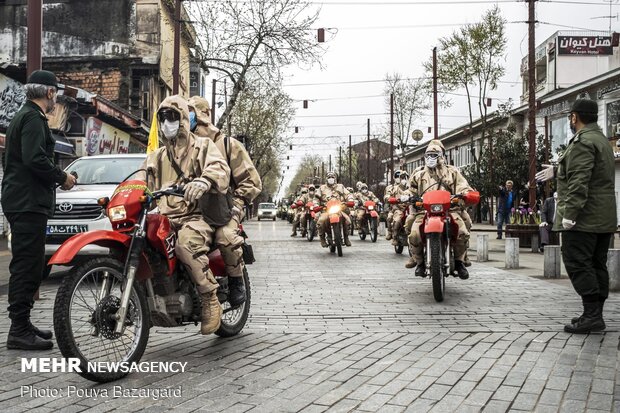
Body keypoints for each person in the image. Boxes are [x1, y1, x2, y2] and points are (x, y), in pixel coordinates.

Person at [142, 95, 231, 334]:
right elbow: (140, 180)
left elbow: (219, 168)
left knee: (185, 245)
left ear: (182, 118)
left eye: (172, 117)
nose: (167, 123)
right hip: (165, 217)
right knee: (141, 243)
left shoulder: (203, 146)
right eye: (162, 118)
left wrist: (204, 181)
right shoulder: (156, 156)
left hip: (197, 216)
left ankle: (210, 298)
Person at [2, 70, 77, 350]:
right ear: (48, 93)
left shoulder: (25, 116)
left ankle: (23, 324)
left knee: (31, 264)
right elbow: (35, 159)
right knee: (27, 266)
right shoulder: (33, 119)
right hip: (27, 202)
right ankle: (18, 330)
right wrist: (63, 177)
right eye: (55, 93)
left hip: (24, 201)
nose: (55, 99)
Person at [536, 99, 616, 334]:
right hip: (602, 217)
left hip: (583, 218)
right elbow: (588, 172)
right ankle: (594, 314)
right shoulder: (600, 139)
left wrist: (570, 215)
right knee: (595, 264)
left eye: (570, 117)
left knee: (578, 263)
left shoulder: (583, 141)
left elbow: (580, 182)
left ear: (574, 117)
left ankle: (592, 316)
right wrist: (558, 169)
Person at [188, 96, 262, 306]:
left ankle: (236, 280)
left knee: (226, 237)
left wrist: (237, 205)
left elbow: (251, 181)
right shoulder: (181, 146)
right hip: (189, 212)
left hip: (223, 212)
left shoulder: (228, 145)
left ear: (205, 114)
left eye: (192, 112)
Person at [405, 140, 476, 280]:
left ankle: (459, 261)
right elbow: (410, 189)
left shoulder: (452, 172)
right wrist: (408, 197)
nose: (431, 157)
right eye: (428, 154)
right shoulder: (418, 173)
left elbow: (463, 186)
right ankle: (418, 260)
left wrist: (463, 194)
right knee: (412, 230)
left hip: (451, 210)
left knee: (463, 230)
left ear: (442, 155)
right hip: (423, 211)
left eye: (435, 154)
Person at [314, 171, 354, 247]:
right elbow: (316, 198)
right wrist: (316, 205)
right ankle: (322, 239)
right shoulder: (322, 188)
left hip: (339, 209)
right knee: (321, 221)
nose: (331, 179)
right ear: (326, 179)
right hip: (326, 210)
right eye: (329, 177)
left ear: (335, 178)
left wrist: (350, 200)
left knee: (347, 220)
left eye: (332, 177)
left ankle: (346, 237)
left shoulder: (340, 186)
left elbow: (348, 194)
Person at [389, 170, 410, 246]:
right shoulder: (395, 188)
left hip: (410, 208)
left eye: (406, 177)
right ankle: (394, 237)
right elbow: (389, 196)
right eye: (402, 177)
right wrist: (390, 199)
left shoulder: (411, 188)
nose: (404, 179)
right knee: (397, 220)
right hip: (399, 208)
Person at [384, 170, 401, 241]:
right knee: (389, 217)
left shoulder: (408, 186)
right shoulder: (390, 188)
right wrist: (389, 198)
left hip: (407, 207)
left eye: (401, 177)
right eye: (397, 176)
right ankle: (391, 233)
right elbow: (386, 196)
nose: (399, 178)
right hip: (394, 208)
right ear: (394, 177)